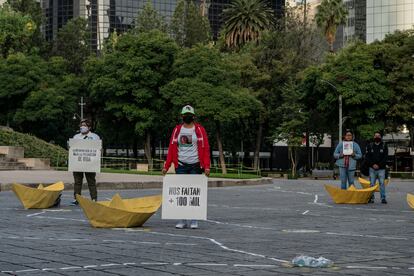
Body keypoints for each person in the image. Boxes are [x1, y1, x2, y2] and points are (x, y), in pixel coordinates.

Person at [162, 105, 210, 229]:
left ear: (193, 116)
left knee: (194, 193)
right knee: (181, 193)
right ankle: (182, 219)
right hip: (181, 165)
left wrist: (206, 166)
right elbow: (171, 148)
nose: (187, 117)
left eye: (189, 115)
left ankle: (194, 220)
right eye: (185, 115)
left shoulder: (200, 130)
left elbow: (205, 148)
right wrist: (166, 166)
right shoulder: (177, 130)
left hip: (195, 165)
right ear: (182, 116)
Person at [70, 119, 100, 206]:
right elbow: (72, 149)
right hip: (78, 162)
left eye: (85, 125)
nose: (82, 127)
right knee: (77, 181)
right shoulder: (75, 137)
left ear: (89, 127)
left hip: (90, 163)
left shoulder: (95, 137)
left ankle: (94, 198)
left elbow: (98, 149)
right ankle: (77, 199)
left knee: (91, 182)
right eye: (81, 125)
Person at [365, 132, 388, 204]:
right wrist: (373, 165)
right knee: (372, 184)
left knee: (381, 183)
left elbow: (385, 157)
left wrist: (379, 165)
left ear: (381, 137)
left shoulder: (384, 145)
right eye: (376, 136)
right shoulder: (370, 145)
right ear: (374, 137)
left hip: (381, 169)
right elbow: (367, 157)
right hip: (372, 168)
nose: (377, 137)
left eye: (379, 136)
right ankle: (371, 198)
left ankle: (383, 198)